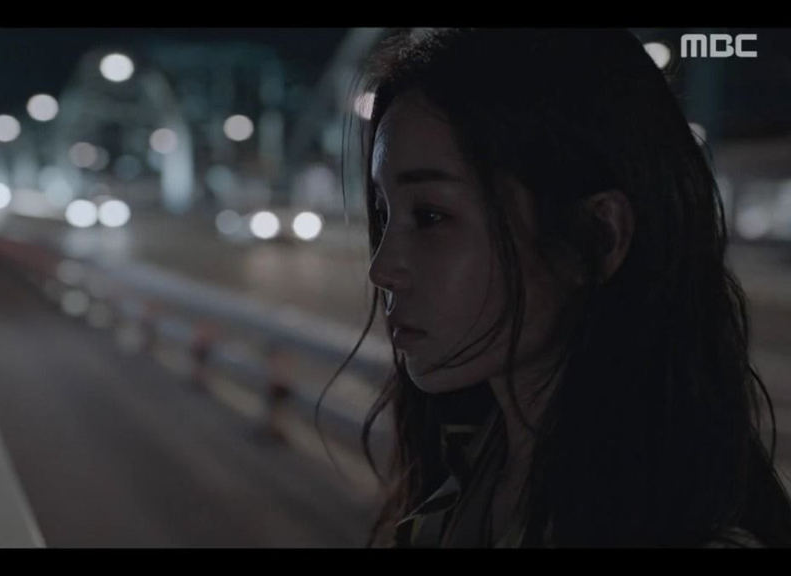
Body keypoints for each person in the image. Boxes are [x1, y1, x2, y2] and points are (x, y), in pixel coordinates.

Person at [328, 28, 791, 547]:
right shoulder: (470, 463)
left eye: (431, 216)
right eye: (383, 212)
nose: (382, 268)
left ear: (597, 237)